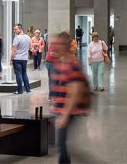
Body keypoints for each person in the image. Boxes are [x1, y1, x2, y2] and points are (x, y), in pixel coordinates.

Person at [49, 32, 90, 164]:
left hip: (68, 111)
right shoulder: (59, 63)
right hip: (59, 109)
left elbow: (75, 90)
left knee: (61, 145)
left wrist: (65, 115)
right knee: (62, 145)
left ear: (67, 46)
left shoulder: (71, 64)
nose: (57, 47)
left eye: (60, 44)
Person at [10, 24, 32, 94]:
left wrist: (11, 59)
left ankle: (20, 90)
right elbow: (30, 47)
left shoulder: (17, 38)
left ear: (20, 29)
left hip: (17, 59)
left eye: (15, 29)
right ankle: (28, 89)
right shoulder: (28, 37)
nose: (14, 31)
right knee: (24, 73)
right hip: (24, 59)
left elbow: (14, 50)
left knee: (18, 74)